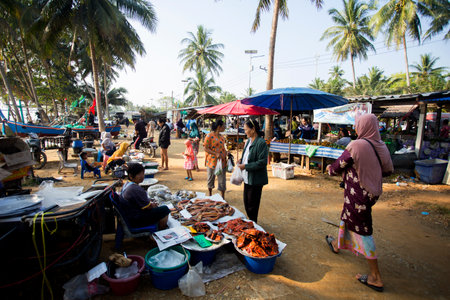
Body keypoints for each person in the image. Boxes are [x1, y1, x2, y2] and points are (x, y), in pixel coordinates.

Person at [325, 114, 393, 293]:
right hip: (372, 193)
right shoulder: (382, 145)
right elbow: (388, 170)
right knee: (347, 215)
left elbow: (338, 165)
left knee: (363, 230)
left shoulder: (356, 145)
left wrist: (329, 169)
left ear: (363, 126)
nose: (356, 128)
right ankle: (336, 244)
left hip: (358, 194)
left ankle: (375, 277)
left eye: (358, 125)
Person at [119, 163, 170, 229]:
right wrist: (153, 205)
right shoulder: (134, 189)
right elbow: (147, 207)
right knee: (164, 209)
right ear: (131, 176)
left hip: (130, 214)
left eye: (142, 173)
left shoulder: (127, 184)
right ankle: (161, 230)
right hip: (136, 219)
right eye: (139, 174)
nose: (142, 176)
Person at [237, 120, 268, 223]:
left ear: (253, 129)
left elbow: (262, 162)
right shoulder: (248, 141)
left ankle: (253, 224)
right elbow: (247, 156)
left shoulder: (261, 143)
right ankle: (252, 222)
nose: (245, 131)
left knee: (252, 205)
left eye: (246, 129)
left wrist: (245, 166)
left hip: (256, 179)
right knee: (247, 203)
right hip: (247, 177)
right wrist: (241, 160)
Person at [204, 120, 227, 199]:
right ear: (219, 127)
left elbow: (223, 148)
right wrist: (215, 153)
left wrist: (227, 153)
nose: (225, 127)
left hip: (222, 162)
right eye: (223, 125)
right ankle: (210, 195)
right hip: (212, 162)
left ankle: (222, 197)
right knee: (210, 179)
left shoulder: (221, 137)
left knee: (222, 180)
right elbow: (205, 148)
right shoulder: (209, 136)